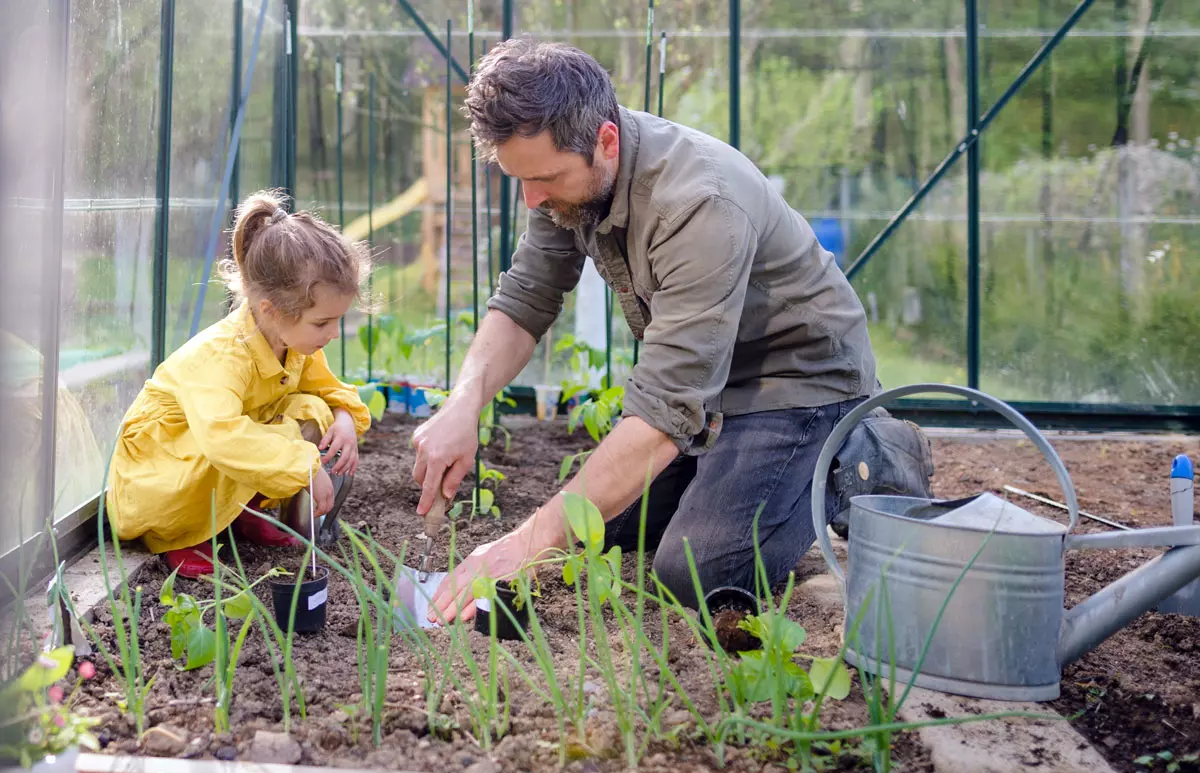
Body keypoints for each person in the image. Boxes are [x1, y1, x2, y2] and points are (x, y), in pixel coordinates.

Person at [414, 38, 932, 622]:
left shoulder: (698, 204)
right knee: (600, 526)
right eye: (520, 180)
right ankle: (735, 466)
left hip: (798, 379)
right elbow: (527, 297)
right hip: (710, 386)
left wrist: (521, 544)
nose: (532, 197)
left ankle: (863, 451)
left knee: (694, 571)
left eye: (546, 179)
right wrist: (463, 404)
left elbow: (663, 414)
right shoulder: (565, 177)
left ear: (604, 141)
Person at [105, 190, 373, 579]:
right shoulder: (222, 357)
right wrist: (303, 465)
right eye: (322, 323)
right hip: (160, 477)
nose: (333, 333)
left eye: (337, 321)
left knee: (312, 408)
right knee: (236, 437)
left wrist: (345, 416)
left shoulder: (292, 340)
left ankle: (240, 513)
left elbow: (330, 390)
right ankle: (181, 535)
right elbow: (223, 439)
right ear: (271, 309)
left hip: (214, 456)